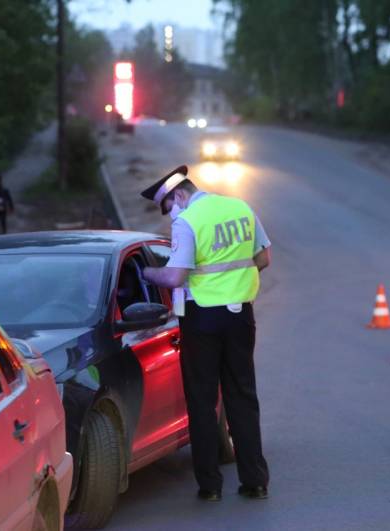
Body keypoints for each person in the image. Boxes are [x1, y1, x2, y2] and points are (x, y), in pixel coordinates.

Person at [140, 165, 271, 502]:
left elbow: (174, 277)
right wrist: (233, 281)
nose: (171, 215)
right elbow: (263, 258)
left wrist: (149, 273)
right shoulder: (240, 207)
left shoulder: (188, 221)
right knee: (242, 395)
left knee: (202, 400)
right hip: (241, 316)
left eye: (169, 207)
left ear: (178, 195)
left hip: (202, 320)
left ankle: (210, 486)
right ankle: (255, 481)